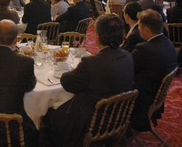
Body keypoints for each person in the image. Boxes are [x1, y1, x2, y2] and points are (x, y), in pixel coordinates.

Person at [44, 14, 134, 147]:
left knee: (49, 113)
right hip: (118, 117)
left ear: (97, 36)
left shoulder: (91, 63)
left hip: (92, 121)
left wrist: (65, 70)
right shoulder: (128, 56)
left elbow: (67, 83)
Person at [130, 9, 178, 132]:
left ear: (147, 29)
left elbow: (126, 70)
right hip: (157, 95)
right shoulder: (168, 43)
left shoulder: (144, 49)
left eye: (139, 27)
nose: (138, 29)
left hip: (142, 99)